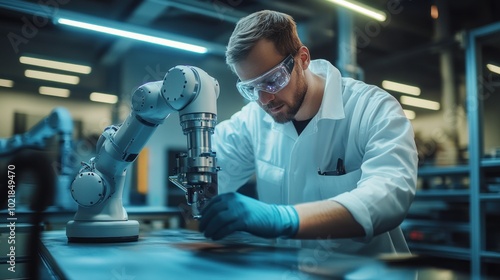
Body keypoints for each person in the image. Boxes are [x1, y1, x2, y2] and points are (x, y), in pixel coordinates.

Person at [198, 10, 418, 256]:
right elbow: (210, 168)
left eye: (272, 80)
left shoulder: (372, 108)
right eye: (251, 88)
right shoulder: (253, 119)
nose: (264, 100)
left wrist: (283, 219)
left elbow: (388, 198)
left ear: (302, 59)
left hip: (365, 272)